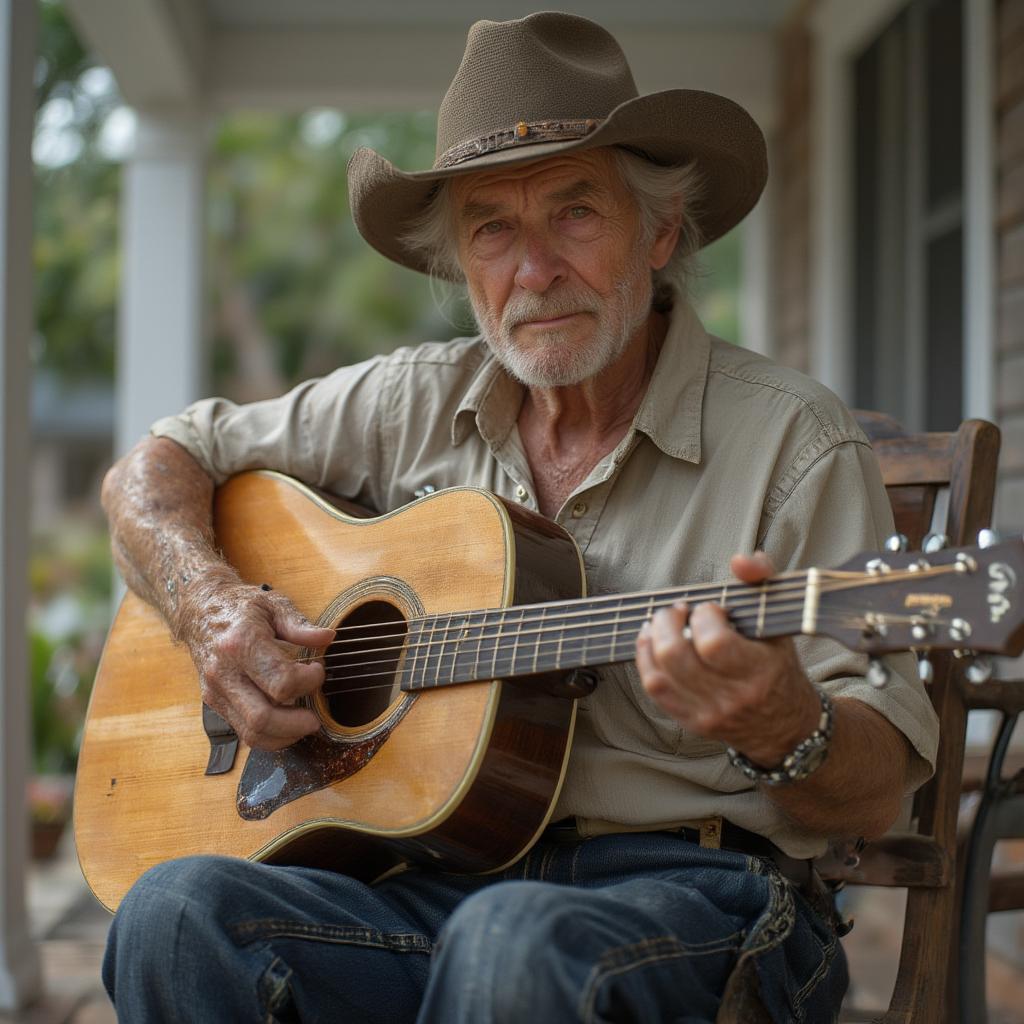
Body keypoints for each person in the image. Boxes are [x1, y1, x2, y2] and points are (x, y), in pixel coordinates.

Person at [100, 12, 938, 1023]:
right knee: (176, 914)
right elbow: (157, 463)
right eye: (492, 227)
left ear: (661, 229)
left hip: (706, 900)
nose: (532, 269)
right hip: (437, 887)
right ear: (460, 262)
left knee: (509, 943)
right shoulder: (408, 401)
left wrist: (784, 727)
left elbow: (876, 790)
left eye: (576, 211)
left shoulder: (794, 443)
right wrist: (210, 607)